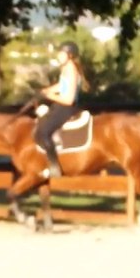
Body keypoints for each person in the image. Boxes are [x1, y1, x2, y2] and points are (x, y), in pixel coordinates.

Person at [34, 41, 86, 177]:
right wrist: (46, 91)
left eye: (61, 53)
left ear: (69, 55)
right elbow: (62, 86)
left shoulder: (72, 70)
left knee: (44, 132)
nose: (59, 55)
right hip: (60, 106)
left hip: (66, 108)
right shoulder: (66, 69)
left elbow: (68, 99)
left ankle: (54, 166)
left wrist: (51, 96)